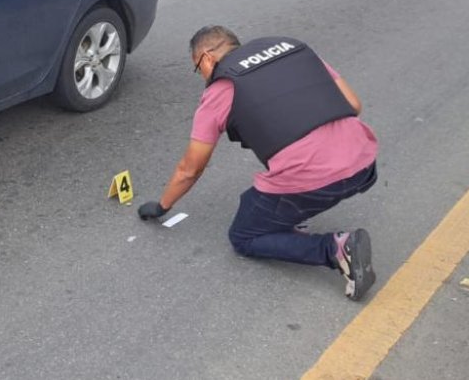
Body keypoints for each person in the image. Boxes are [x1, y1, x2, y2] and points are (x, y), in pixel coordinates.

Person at [137, 26, 380, 301]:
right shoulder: (292, 48)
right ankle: (290, 217)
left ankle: (336, 248)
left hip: (317, 181)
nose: (203, 76)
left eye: (198, 69)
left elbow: (190, 168)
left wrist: (162, 206)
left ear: (206, 58)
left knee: (244, 236)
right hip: (364, 163)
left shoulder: (222, 88)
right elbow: (353, 104)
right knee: (258, 198)